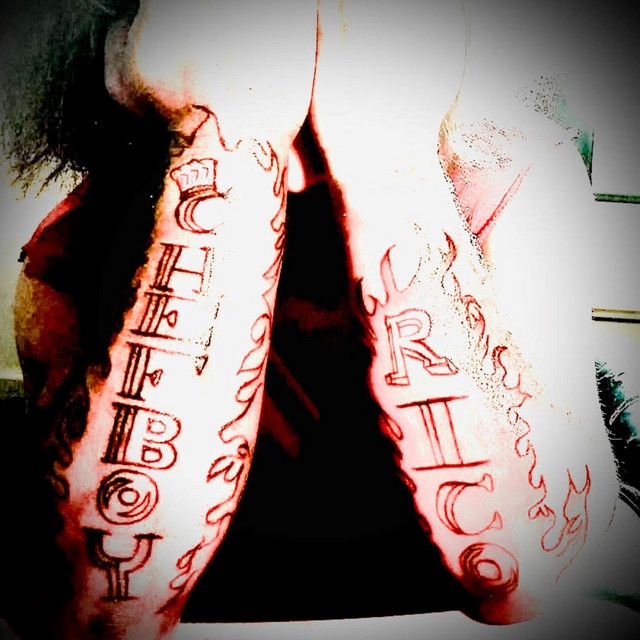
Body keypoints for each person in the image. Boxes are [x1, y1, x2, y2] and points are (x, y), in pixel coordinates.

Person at [2, 1, 638, 638]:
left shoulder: (509, 180)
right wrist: (226, 133)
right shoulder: (84, 233)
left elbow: (536, 570)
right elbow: (95, 606)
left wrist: (382, 154)